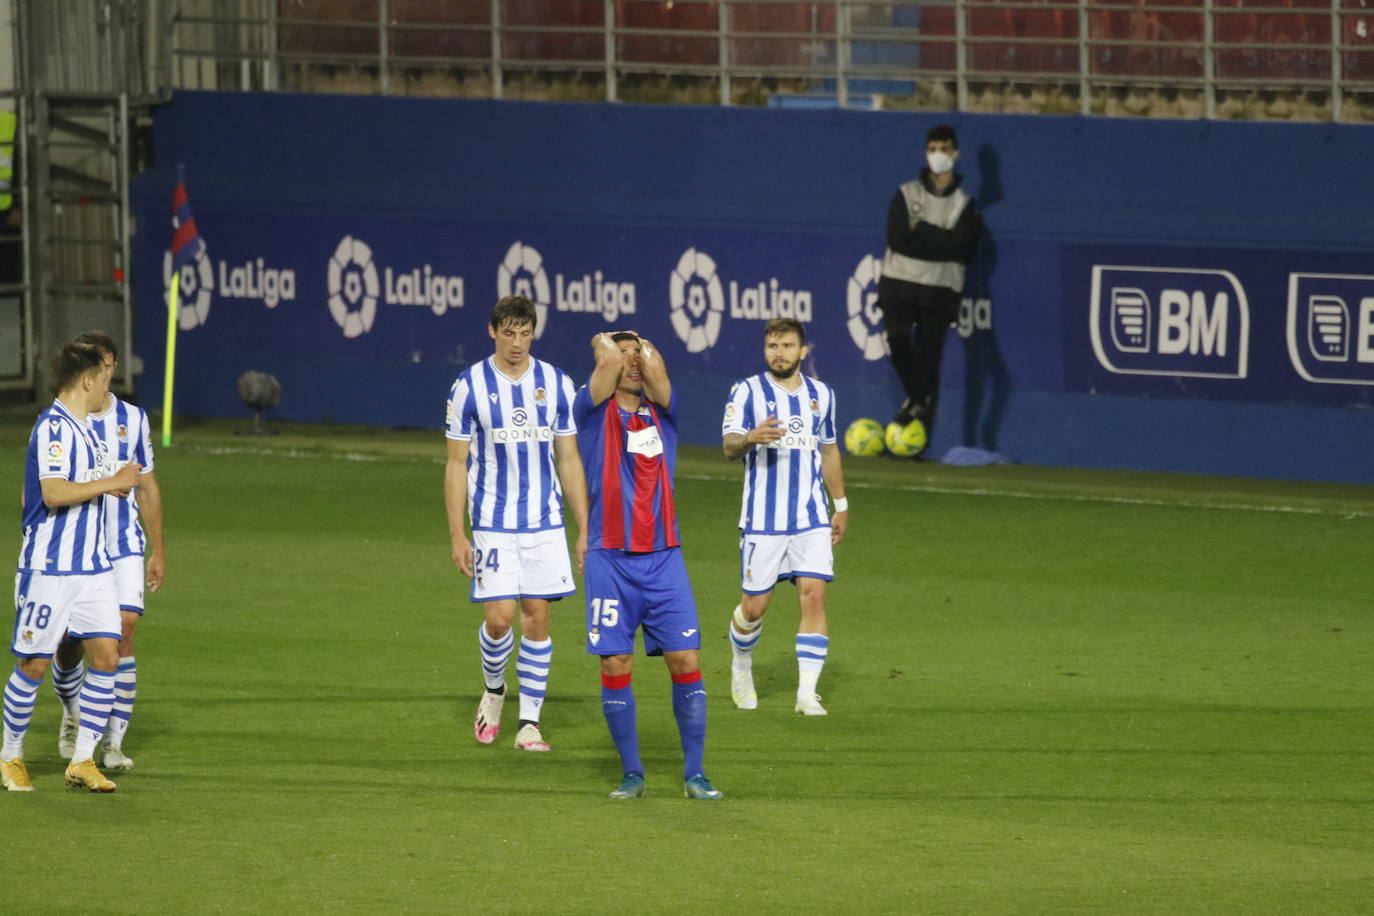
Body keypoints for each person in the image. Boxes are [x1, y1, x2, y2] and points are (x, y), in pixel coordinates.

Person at [574, 331, 722, 800]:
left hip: (664, 560)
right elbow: (602, 369)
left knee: (686, 660)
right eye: (625, 357)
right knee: (616, 662)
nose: (633, 363)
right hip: (608, 559)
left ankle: (695, 774)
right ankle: (632, 773)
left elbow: (658, 374)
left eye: (638, 355)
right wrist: (607, 344)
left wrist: (643, 345)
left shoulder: (665, 413)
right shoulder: (590, 412)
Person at [445, 295, 588, 753]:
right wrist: (456, 533)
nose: (516, 343)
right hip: (492, 520)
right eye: (508, 333)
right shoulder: (468, 386)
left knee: (537, 618)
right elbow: (455, 464)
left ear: (534, 333)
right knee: (499, 618)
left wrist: (583, 528)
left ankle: (529, 723)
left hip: (544, 522)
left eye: (524, 333)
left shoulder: (557, 384)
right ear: (492, 332)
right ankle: (494, 690)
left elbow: (568, 459)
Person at [3, 342, 141, 792]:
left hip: (94, 569)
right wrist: (112, 482)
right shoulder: (54, 429)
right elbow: (53, 494)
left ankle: (83, 759)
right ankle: (10, 755)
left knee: (106, 658)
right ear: (86, 381)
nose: (108, 389)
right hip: (51, 569)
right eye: (104, 380)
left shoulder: (89, 431)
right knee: (34, 666)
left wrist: (113, 488)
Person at [48, 331, 165, 771]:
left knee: (124, 629)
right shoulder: (62, 421)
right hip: (77, 545)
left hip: (121, 543)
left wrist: (158, 548)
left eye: (103, 367)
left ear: (110, 366)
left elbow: (148, 485)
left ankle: (112, 743)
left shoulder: (133, 420)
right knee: (68, 644)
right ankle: (73, 714)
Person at [721, 318, 849, 716]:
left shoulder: (822, 395)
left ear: (802, 351)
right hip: (762, 519)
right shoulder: (747, 391)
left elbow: (829, 451)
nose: (779, 352)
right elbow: (728, 446)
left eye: (787, 345)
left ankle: (806, 694)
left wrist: (840, 504)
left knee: (814, 596)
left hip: (810, 516)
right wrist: (749, 438)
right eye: (772, 345)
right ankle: (741, 665)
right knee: (754, 608)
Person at [877, 124, 981, 454]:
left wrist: (920, 228)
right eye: (933, 148)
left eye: (945, 148)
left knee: (929, 359)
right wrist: (941, 240)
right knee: (897, 340)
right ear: (926, 152)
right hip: (899, 282)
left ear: (956, 153)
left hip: (939, 289)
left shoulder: (964, 204)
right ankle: (917, 398)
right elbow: (897, 238)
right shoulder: (907, 193)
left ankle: (917, 442)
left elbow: (962, 247)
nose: (939, 155)